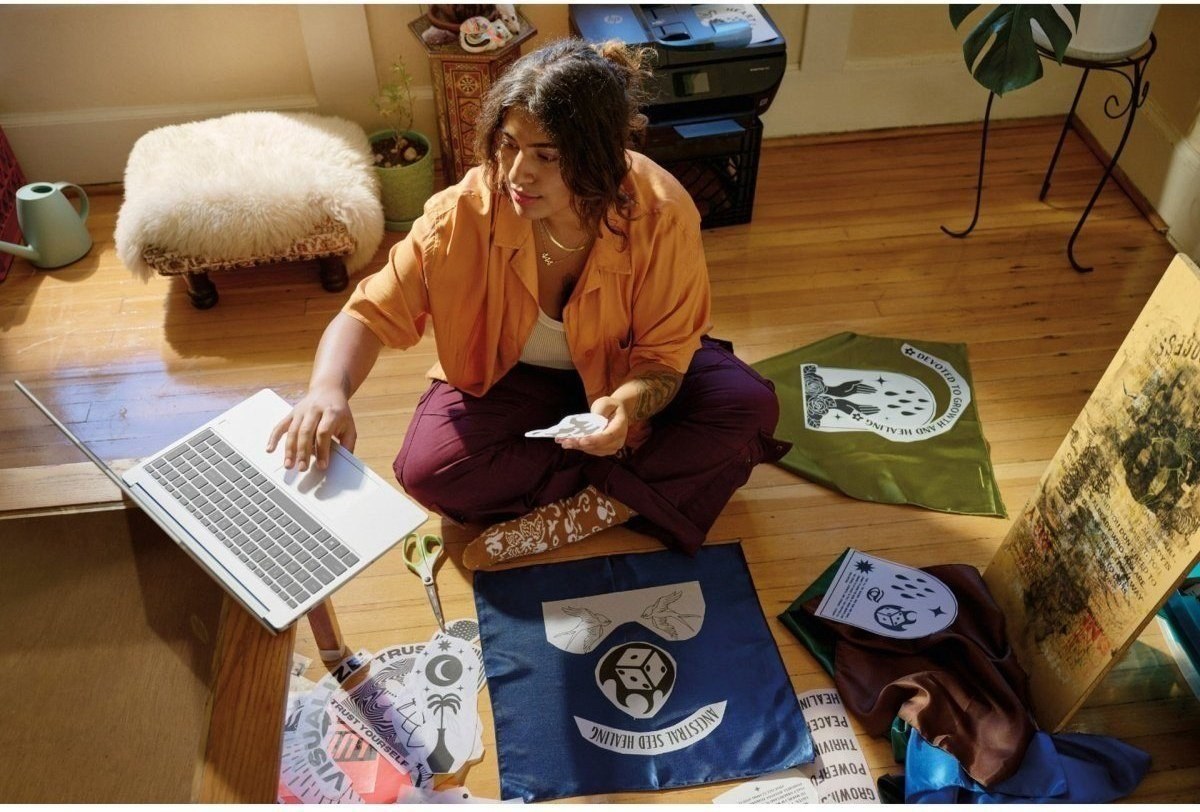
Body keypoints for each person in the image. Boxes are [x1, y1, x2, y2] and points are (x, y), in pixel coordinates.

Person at [267, 38, 790, 570]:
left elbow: (664, 357)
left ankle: (594, 508)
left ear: (600, 157)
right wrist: (328, 389)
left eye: (547, 156)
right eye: (509, 145)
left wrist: (625, 406)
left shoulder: (662, 214)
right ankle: (642, 490)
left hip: (626, 370)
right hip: (513, 377)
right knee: (427, 471)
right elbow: (367, 313)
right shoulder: (461, 215)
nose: (518, 172)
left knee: (750, 405)